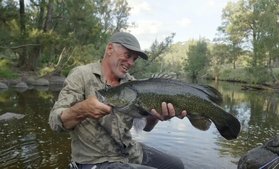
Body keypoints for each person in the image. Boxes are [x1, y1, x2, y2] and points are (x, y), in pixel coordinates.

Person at [49, 32, 187, 169]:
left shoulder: (132, 83)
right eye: (127, 55)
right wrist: (82, 110)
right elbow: (55, 123)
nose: (131, 63)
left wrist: (156, 116)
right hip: (95, 160)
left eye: (134, 59)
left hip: (130, 152)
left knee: (176, 165)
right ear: (110, 49)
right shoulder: (81, 75)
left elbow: (146, 127)